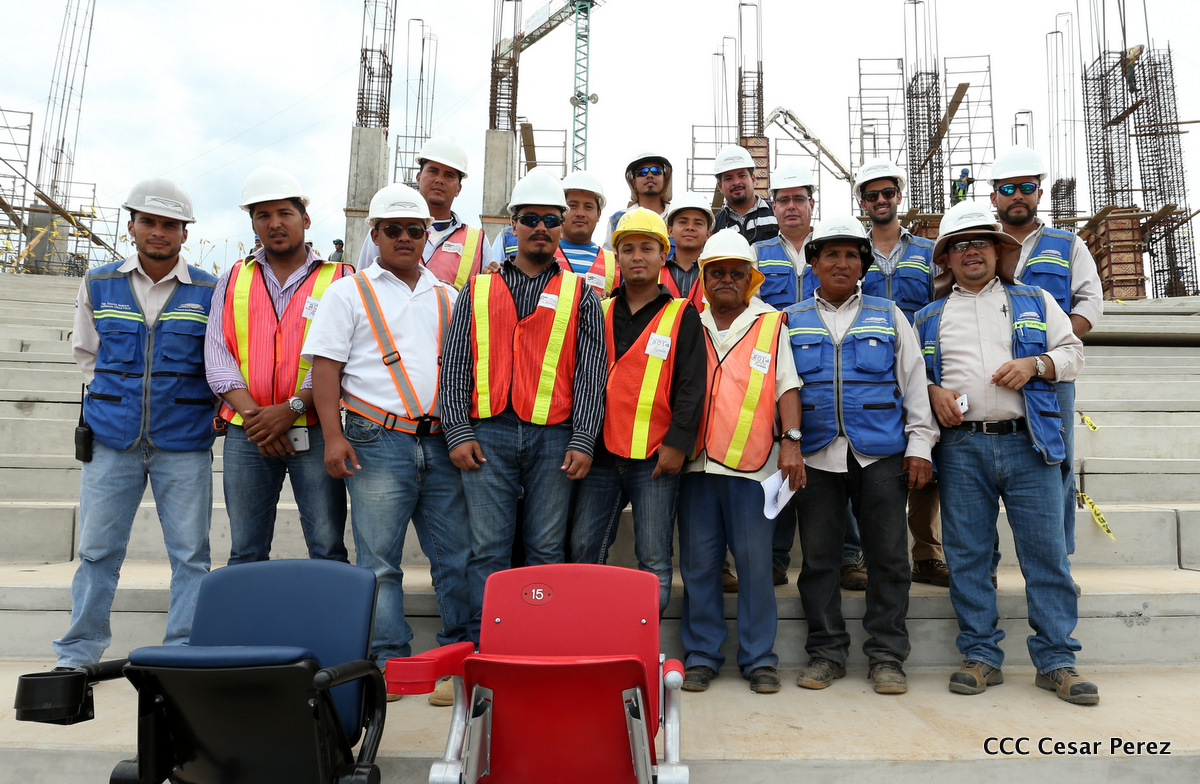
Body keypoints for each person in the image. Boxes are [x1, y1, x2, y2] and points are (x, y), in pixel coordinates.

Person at [914, 200, 1096, 705]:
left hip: (1028, 443)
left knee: (1046, 556)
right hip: (961, 447)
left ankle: (1057, 661)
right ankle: (980, 656)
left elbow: (1073, 353)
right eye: (959, 245)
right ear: (946, 259)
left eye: (980, 242)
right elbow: (912, 379)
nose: (970, 252)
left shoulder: (1036, 299)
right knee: (968, 556)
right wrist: (932, 391)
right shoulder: (927, 317)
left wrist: (1036, 364)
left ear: (998, 251)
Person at [305, 183, 469, 706]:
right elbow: (325, 369)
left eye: (414, 230)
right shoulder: (348, 293)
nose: (404, 238)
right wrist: (333, 436)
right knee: (379, 562)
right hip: (375, 437)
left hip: (440, 441)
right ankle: (390, 661)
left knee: (456, 557)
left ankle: (457, 660)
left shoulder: (448, 296)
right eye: (392, 229)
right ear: (374, 234)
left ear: (427, 235)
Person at [54, 179, 216, 668]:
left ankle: (182, 653)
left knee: (190, 555)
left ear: (185, 233)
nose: (158, 231)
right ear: (132, 226)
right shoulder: (98, 282)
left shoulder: (210, 290)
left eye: (170, 224)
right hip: (111, 441)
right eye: (149, 221)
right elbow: (87, 354)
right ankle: (78, 653)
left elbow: (217, 362)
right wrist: (118, 402)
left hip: (183, 442)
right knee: (97, 551)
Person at [439, 169, 606, 643]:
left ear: (561, 225)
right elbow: (455, 363)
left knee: (546, 550)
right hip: (486, 435)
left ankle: (537, 646)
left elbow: (592, 372)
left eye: (550, 220)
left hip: (554, 436)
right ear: (513, 224)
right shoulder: (478, 288)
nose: (541, 228)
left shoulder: (580, 294)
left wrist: (583, 439)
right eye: (530, 218)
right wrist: (457, 430)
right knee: (488, 550)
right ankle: (485, 646)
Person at [785, 217, 937, 695]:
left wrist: (920, 446)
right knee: (819, 560)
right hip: (815, 457)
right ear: (813, 263)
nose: (842, 263)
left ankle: (887, 656)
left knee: (888, 559)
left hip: (881, 456)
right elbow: (779, 391)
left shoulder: (889, 314)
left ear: (863, 266)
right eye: (831, 254)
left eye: (852, 255)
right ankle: (825, 653)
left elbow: (914, 383)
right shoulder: (789, 320)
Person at [678, 228, 804, 696]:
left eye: (736, 273)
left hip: (753, 468)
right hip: (696, 466)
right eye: (717, 272)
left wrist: (791, 442)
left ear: (750, 279)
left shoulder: (770, 323)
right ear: (704, 278)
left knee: (754, 567)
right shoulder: (687, 321)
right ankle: (701, 656)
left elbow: (787, 387)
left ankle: (759, 659)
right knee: (699, 567)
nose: (726, 280)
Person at [206, 166, 350, 565]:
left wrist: (291, 409)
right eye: (263, 216)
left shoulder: (341, 278)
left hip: (315, 429)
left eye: (285, 213)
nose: (274, 224)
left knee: (327, 547)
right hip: (248, 434)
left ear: (305, 219)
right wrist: (258, 420)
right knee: (246, 550)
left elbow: (340, 357)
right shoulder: (233, 277)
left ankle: (329, 610)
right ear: (253, 224)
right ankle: (249, 611)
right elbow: (217, 354)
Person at [570, 208, 704, 615]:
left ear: (664, 255)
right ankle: (587, 633)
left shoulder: (682, 313)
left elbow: (691, 385)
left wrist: (677, 444)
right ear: (618, 257)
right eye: (627, 249)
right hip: (600, 454)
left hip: (654, 456)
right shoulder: (598, 310)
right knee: (583, 547)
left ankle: (644, 642)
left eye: (647, 248)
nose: (637, 257)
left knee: (654, 557)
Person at [990, 146, 1104, 582]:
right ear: (994, 196)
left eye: (1026, 187)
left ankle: (1059, 562)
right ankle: (985, 565)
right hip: (993, 376)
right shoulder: (983, 243)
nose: (1017, 196)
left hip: (1051, 376)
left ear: (1039, 192)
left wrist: (1049, 349)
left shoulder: (1066, 244)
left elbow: (1089, 303)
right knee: (981, 470)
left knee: (1056, 466)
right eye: (1008, 189)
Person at [363, 136, 485, 290]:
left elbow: (485, 296)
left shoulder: (477, 241)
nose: (439, 180)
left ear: (459, 188)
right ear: (418, 178)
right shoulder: (387, 230)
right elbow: (364, 285)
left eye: (449, 175)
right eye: (433, 171)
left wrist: (456, 296)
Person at [753, 162, 816, 311]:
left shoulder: (828, 249)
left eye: (799, 199)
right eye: (784, 200)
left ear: (812, 205)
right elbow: (751, 305)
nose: (791, 206)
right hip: (774, 326)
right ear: (774, 208)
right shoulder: (757, 254)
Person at [557, 170, 619, 297]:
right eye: (573, 206)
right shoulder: (543, 256)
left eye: (588, 207)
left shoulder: (616, 262)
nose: (580, 213)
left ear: (598, 214)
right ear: (562, 211)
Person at [599, 150, 675, 251]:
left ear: (664, 180)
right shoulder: (619, 219)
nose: (649, 175)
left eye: (656, 171)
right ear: (633, 183)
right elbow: (610, 256)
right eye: (642, 172)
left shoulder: (676, 216)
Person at [712, 145, 778, 245]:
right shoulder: (715, 225)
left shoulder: (777, 213)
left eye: (742, 176)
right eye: (728, 178)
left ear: (753, 179)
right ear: (720, 186)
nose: (736, 182)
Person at [661, 192, 714, 312]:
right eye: (683, 222)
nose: (690, 227)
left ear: (708, 234)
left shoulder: (717, 273)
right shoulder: (655, 271)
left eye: (698, 223)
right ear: (670, 231)